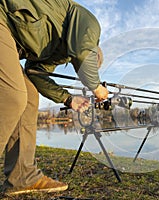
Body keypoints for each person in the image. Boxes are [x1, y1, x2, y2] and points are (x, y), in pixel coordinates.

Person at [0, 0, 108, 195]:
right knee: (13, 96)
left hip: (9, 39)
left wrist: (68, 99)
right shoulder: (89, 24)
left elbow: (35, 72)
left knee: (30, 97)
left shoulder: (61, 54)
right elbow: (83, 53)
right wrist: (97, 87)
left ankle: (22, 177)